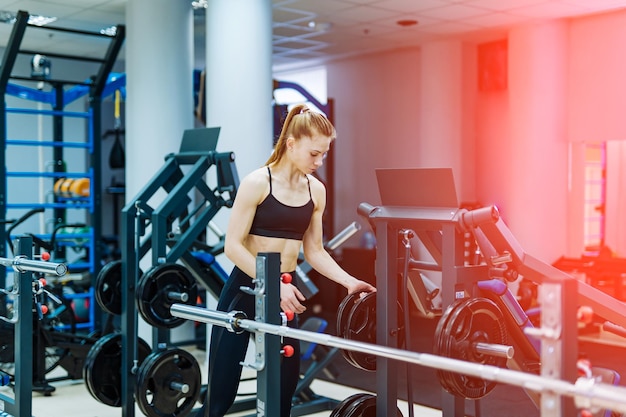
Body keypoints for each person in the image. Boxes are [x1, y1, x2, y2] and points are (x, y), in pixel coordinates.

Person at [198, 103, 376, 417]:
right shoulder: (257, 183)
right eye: (313, 154)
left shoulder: (315, 191)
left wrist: (349, 281)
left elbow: (315, 250)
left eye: (324, 154)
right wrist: (269, 286)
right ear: (291, 144)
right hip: (246, 288)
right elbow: (233, 247)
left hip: (284, 290)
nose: (319, 162)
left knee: (284, 387)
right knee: (222, 387)